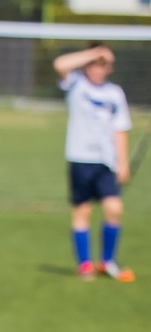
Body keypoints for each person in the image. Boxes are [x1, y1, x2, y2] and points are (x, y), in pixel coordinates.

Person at [53, 45, 133, 282]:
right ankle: (85, 264)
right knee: (83, 210)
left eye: (103, 64)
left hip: (106, 161)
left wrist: (123, 162)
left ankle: (107, 262)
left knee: (114, 208)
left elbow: (120, 130)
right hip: (80, 158)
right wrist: (96, 52)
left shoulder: (115, 93)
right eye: (94, 64)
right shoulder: (77, 85)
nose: (98, 69)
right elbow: (60, 64)